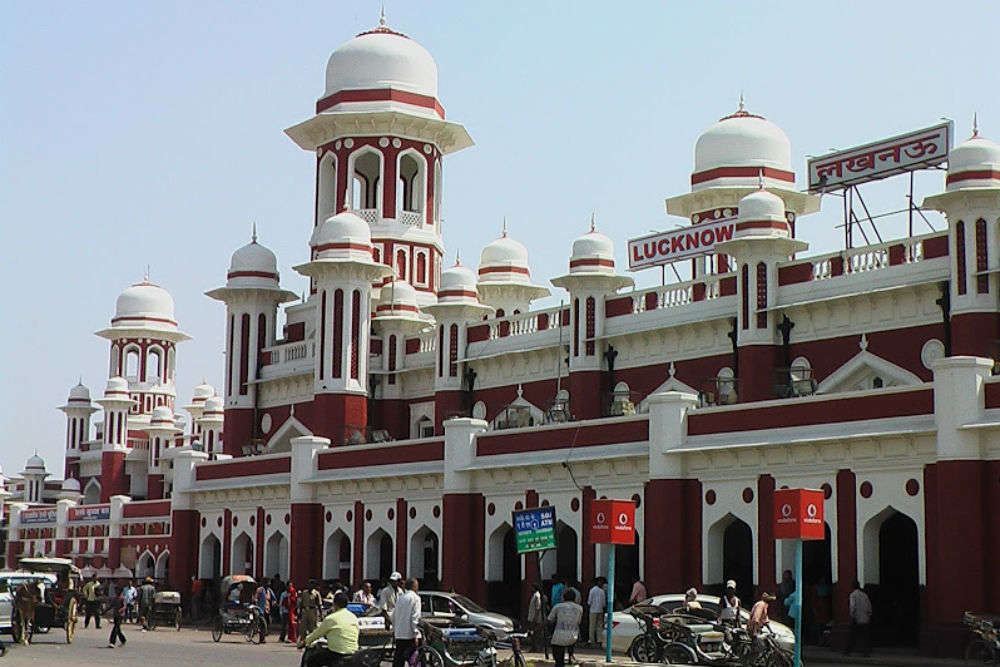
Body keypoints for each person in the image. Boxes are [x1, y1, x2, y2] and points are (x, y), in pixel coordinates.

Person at [300, 591, 359, 667]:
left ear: (335, 604)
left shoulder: (331, 618)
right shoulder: (353, 617)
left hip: (336, 653)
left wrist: (304, 642)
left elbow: (317, 634)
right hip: (353, 652)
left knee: (312, 660)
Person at [547, 588, 583, 667]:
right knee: (570, 641)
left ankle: (560, 663)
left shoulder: (558, 606)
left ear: (563, 597)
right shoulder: (580, 608)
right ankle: (571, 656)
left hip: (559, 636)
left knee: (557, 653)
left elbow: (550, 620)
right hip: (574, 635)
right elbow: (579, 622)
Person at [391, 579, 421, 667]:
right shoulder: (416, 598)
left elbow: (394, 616)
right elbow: (415, 618)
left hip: (399, 634)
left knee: (399, 659)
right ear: (414, 586)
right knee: (416, 658)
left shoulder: (401, 598)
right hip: (409, 634)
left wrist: (395, 630)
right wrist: (416, 634)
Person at [845, 580, 872, 657]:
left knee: (852, 636)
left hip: (857, 618)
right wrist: (869, 616)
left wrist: (852, 616)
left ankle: (848, 651)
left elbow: (852, 606)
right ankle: (866, 652)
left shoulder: (853, 595)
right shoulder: (864, 595)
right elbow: (869, 607)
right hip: (865, 619)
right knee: (865, 637)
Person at [526, 583, 547, 652]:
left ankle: (537, 647)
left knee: (536, 633)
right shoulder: (534, 595)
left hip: (536, 618)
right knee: (534, 633)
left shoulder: (537, 596)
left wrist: (535, 618)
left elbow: (538, 608)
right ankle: (535, 647)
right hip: (532, 617)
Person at [586, 578, 606, 648]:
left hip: (593, 610)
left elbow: (589, 601)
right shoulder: (602, 591)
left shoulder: (592, 590)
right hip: (600, 610)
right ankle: (599, 640)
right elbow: (604, 603)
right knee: (599, 626)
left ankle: (591, 640)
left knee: (592, 626)